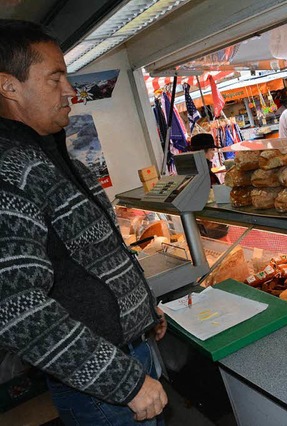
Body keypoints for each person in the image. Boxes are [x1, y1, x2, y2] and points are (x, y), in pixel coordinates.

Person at [0, 20, 167, 424]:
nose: (70, 91)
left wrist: (142, 310)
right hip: (103, 389)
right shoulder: (9, 170)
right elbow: (16, 308)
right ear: (9, 86)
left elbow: (90, 258)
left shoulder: (52, 156)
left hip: (129, 354)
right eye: (54, 78)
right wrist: (123, 382)